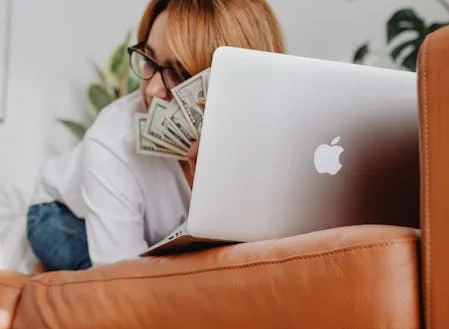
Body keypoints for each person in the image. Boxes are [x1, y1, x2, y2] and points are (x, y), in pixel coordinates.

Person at [27, 0, 285, 271]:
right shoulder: (110, 141)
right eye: (149, 61)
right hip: (60, 213)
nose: (151, 90)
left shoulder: (265, 138)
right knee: (106, 285)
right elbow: (123, 278)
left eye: (181, 73)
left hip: (155, 233)